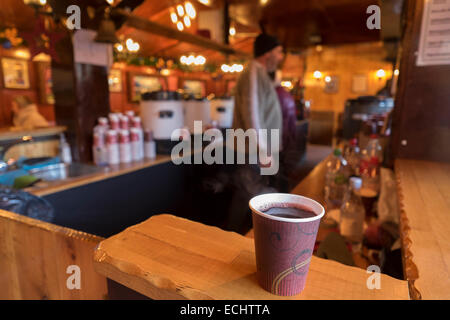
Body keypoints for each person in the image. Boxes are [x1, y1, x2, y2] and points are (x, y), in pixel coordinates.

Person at [224, 33, 284, 234]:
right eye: (279, 51)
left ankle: (242, 236)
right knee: (246, 194)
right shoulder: (253, 73)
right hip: (253, 150)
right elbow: (252, 114)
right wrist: (263, 150)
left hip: (256, 149)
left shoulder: (260, 74)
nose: (281, 57)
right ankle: (232, 238)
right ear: (268, 53)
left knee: (248, 194)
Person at [269, 70, 298, 192]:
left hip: (275, 142)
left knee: (273, 179)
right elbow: (292, 122)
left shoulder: (272, 95)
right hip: (287, 141)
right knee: (283, 176)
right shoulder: (287, 95)